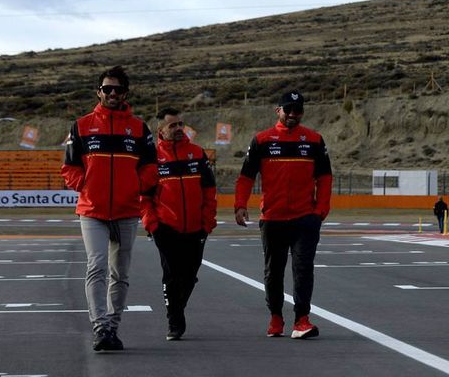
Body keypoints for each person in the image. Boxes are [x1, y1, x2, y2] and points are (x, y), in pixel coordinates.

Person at [61, 66, 158, 351]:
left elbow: (151, 168)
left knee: (121, 274)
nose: (112, 93)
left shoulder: (139, 128)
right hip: (93, 211)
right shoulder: (81, 126)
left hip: (128, 211)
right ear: (99, 92)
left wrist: (134, 187)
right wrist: (86, 185)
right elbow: (69, 167)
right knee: (97, 267)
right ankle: (100, 328)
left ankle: (113, 327)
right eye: (107, 89)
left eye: (117, 89)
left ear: (125, 93)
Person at [234, 90, 333, 339]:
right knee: (273, 271)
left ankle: (302, 320)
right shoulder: (262, 140)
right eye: (287, 109)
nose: (292, 114)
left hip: (305, 218)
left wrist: (321, 210)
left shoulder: (314, 140)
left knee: (303, 269)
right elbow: (246, 176)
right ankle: (276, 317)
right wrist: (240, 204)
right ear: (277, 110)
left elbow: (325, 178)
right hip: (273, 218)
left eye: (297, 110)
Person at [140, 107, 217, 341]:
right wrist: (152, 225)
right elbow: (143, 198)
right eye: (172, 125)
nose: (178, 129)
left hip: (196, 228)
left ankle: (177, 308)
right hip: (166, 227)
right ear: (160, 129)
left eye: (180, 124)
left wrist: (207, 223)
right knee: (172, 274)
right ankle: (175, 320)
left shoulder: (197, 153)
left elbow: (209, 191)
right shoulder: (151, 158)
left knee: (190, 274)